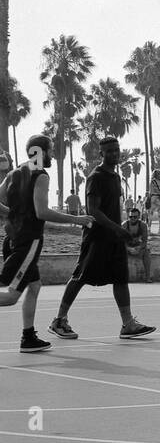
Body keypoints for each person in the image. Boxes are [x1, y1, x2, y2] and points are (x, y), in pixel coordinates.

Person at [50, 137, 156, 341]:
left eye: (117, 150)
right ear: (101, 154)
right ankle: (59, 320)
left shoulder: (115, 177)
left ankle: (128, 324)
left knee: (121, 278)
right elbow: (94, 211)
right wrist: (119, 230)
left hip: (114, 238)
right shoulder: (96, 177)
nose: (114, 154)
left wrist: (121, 231)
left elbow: (112, 209)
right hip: (97, 237)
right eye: (109, 151)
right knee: (80, 277)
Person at [0, 135, 93, 351]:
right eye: (51, 150)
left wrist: (12, 213)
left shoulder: (14, 173)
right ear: (40, 152)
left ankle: (28, 337)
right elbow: (41, 212)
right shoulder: (40, 175)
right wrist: (76, 220)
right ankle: (28, 337)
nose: (52, 154)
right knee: (12, 296)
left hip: (13, 237)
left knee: (34, 286)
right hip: (28, 240)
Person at [123, 205, 152, 283]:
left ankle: (148, 277)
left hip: (137, 246)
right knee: (117, 252)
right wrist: (128, 248)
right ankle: (121, 276)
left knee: (146, 253)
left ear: (139, 217)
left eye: (135, 217)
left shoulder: (143, 225)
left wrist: (139, 248)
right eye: (130, 217)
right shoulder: (124, 225)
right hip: (126, 246)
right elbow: (119, 241)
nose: (132, 218)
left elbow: (144, 241)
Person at [147, 168, 160, 235]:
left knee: (150, 215)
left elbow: (151, 191)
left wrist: (148, 199)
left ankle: (149, 230)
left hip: (154, 198)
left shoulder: (152, 181)